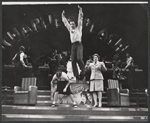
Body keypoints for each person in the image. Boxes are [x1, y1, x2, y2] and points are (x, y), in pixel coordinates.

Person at [62, 5, 84, 83]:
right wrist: (63, 15)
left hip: (79, 44)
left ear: (75, 24)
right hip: (73, 45)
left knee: (79, 59)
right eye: (70, 24)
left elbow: (80, 19)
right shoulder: (70, 29)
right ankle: (76, 75)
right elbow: (65, 23)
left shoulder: (79, 28)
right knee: (73, 61)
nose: (71, 25)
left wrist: (80, 11)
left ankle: (83, 71)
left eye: (72, 24)